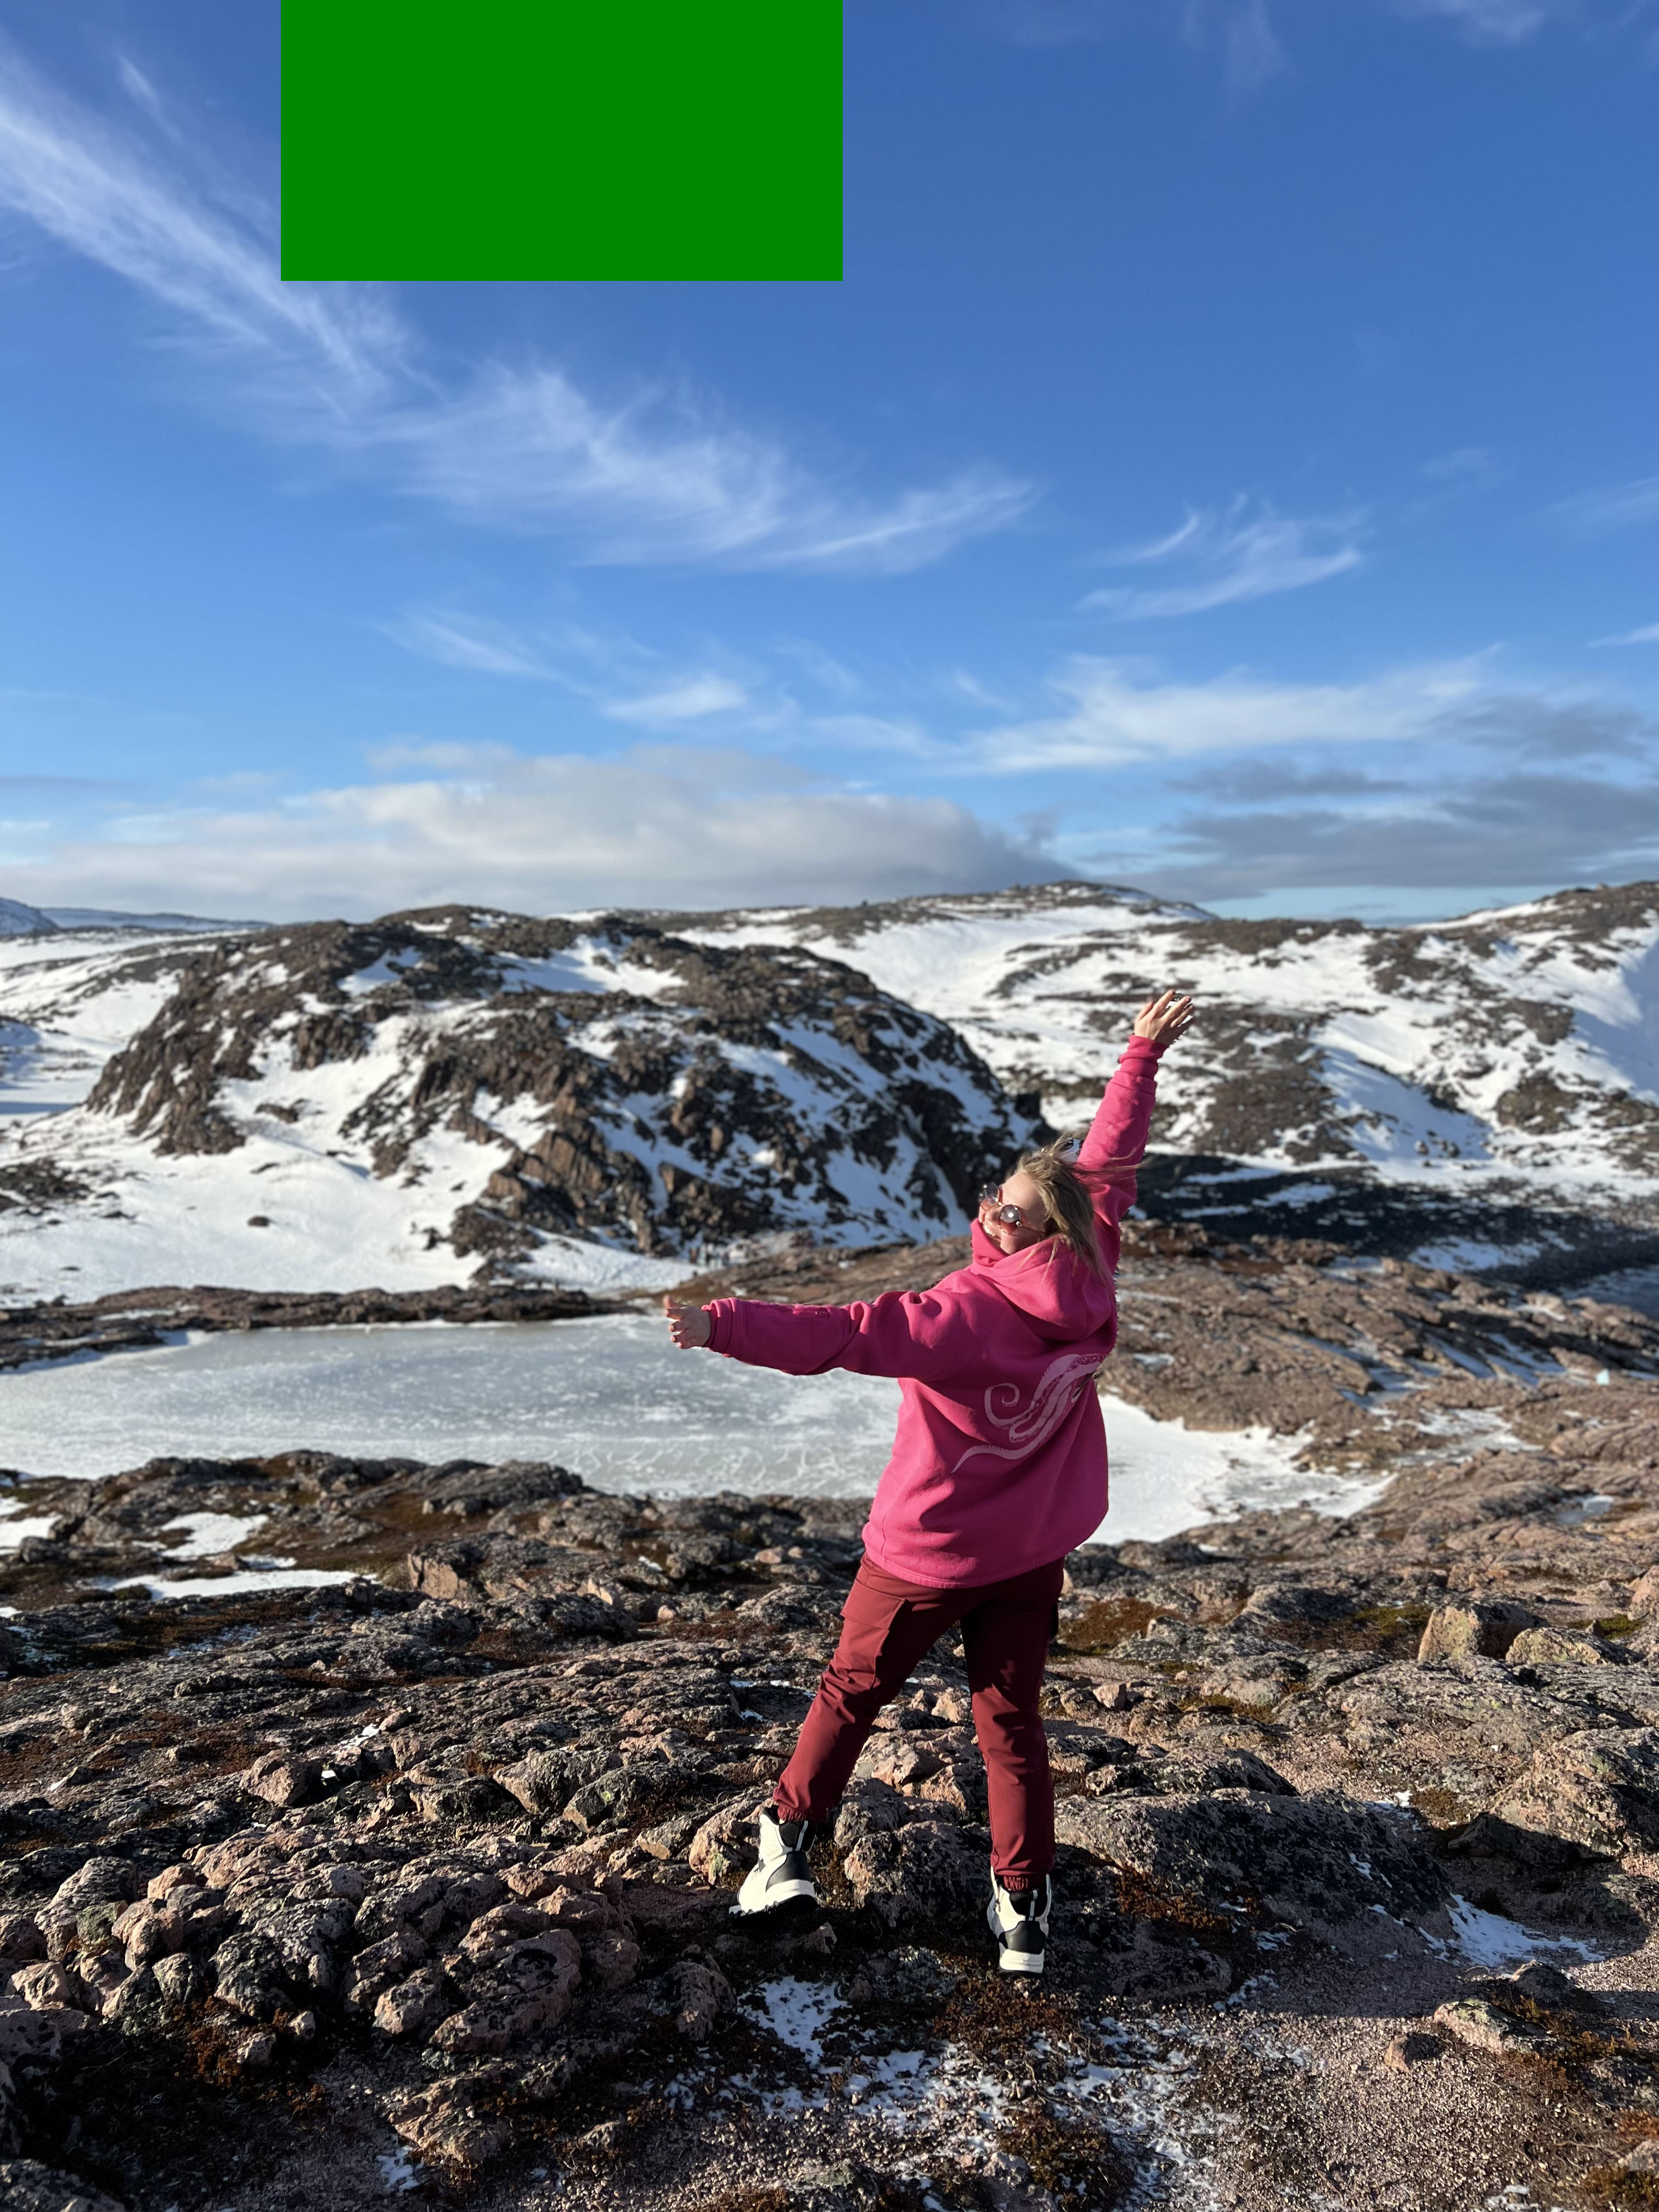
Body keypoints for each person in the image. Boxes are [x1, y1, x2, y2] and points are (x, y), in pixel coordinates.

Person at [662, 988, 1195, 1976]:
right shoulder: (1093, 1263)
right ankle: (1023, 1912)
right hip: (1032, 1553)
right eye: (998, 1191)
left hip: (928, 1555)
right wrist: (1139, 1057)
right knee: (1011, 1725)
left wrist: (722, 1324)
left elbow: (844, 1335)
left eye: (1010, 1206)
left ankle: (783, 1854)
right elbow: (1111, 1165)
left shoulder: (962, 1315)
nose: (989, 1206)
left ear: (1039, 1234)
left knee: (850, 1693)